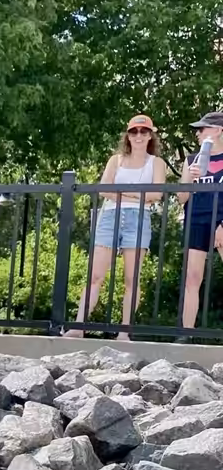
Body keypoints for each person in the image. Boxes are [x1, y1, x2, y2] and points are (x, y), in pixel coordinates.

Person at [65, 114, 167, 340]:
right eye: (134, 132)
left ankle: (125, 331)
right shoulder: (116, 159)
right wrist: (138, 194)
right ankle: (79, 326)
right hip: (110, 216)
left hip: (138, 218)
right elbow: (104, 189)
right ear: (128, 135)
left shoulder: (156, 163)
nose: (138, 136)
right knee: (95, 275)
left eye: (143, 132)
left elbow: (156, 194)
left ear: (150, 135)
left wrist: (122, 192)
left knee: (132, 279)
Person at [176, 111, 223, 337]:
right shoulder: (191, 159)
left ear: (217, 130)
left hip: (222, 220)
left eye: (202, 128)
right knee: (192, 277)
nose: (197, 133)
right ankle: (186, 333)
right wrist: (190, 180)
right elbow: (181, 199)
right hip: (196, 219)